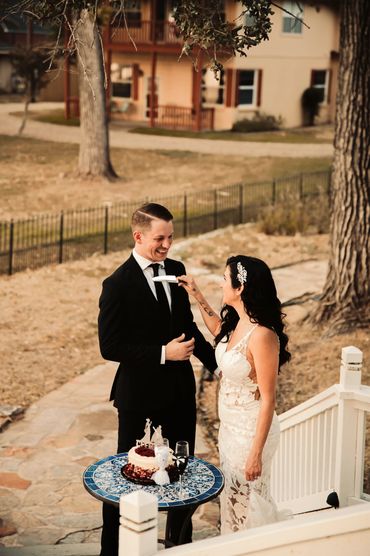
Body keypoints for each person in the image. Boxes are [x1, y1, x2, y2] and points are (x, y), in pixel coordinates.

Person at [98, 203, 217, 555]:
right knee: (128, 475)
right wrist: (164, 354)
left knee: (185, 473)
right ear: (139, 236)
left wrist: (220, 364)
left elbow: (187, 327)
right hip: (139, 394)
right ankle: (113, 549)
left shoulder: (177, 270)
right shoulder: (117, 284)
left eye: (170, 237)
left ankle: (180, 544)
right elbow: (110, 346)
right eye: (159, 238)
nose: (167, 245)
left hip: (180, 392)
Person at [178, 255, 291, 533]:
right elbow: (218, 330)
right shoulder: (238, 323)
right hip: (229, 430)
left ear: (240, 288)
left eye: (225, 279)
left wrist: (255, 453)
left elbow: (268, 399)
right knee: (232, 500)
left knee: (249, 505)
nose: (221, 283)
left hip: (251, 434)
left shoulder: (263, 335)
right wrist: (197, 295)